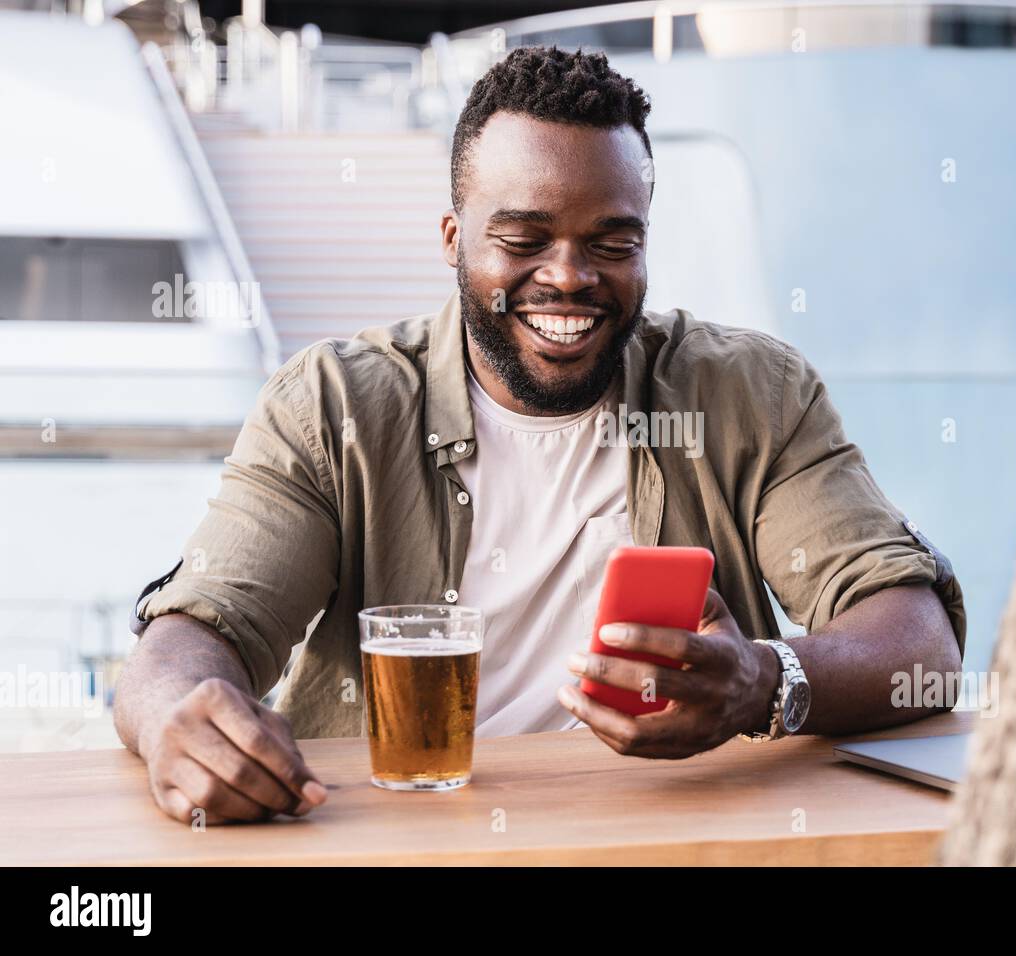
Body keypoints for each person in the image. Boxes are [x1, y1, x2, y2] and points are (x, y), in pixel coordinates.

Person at [114, 46, 965, 824]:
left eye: (612, 242)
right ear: (454, 239)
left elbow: (915, 641)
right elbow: (197, 633)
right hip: (398, 842)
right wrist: (177, 723)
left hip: (677, 839)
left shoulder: (751, 393)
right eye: (523, 239)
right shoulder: (332, 407)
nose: (569, 276)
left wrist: (764, 683)